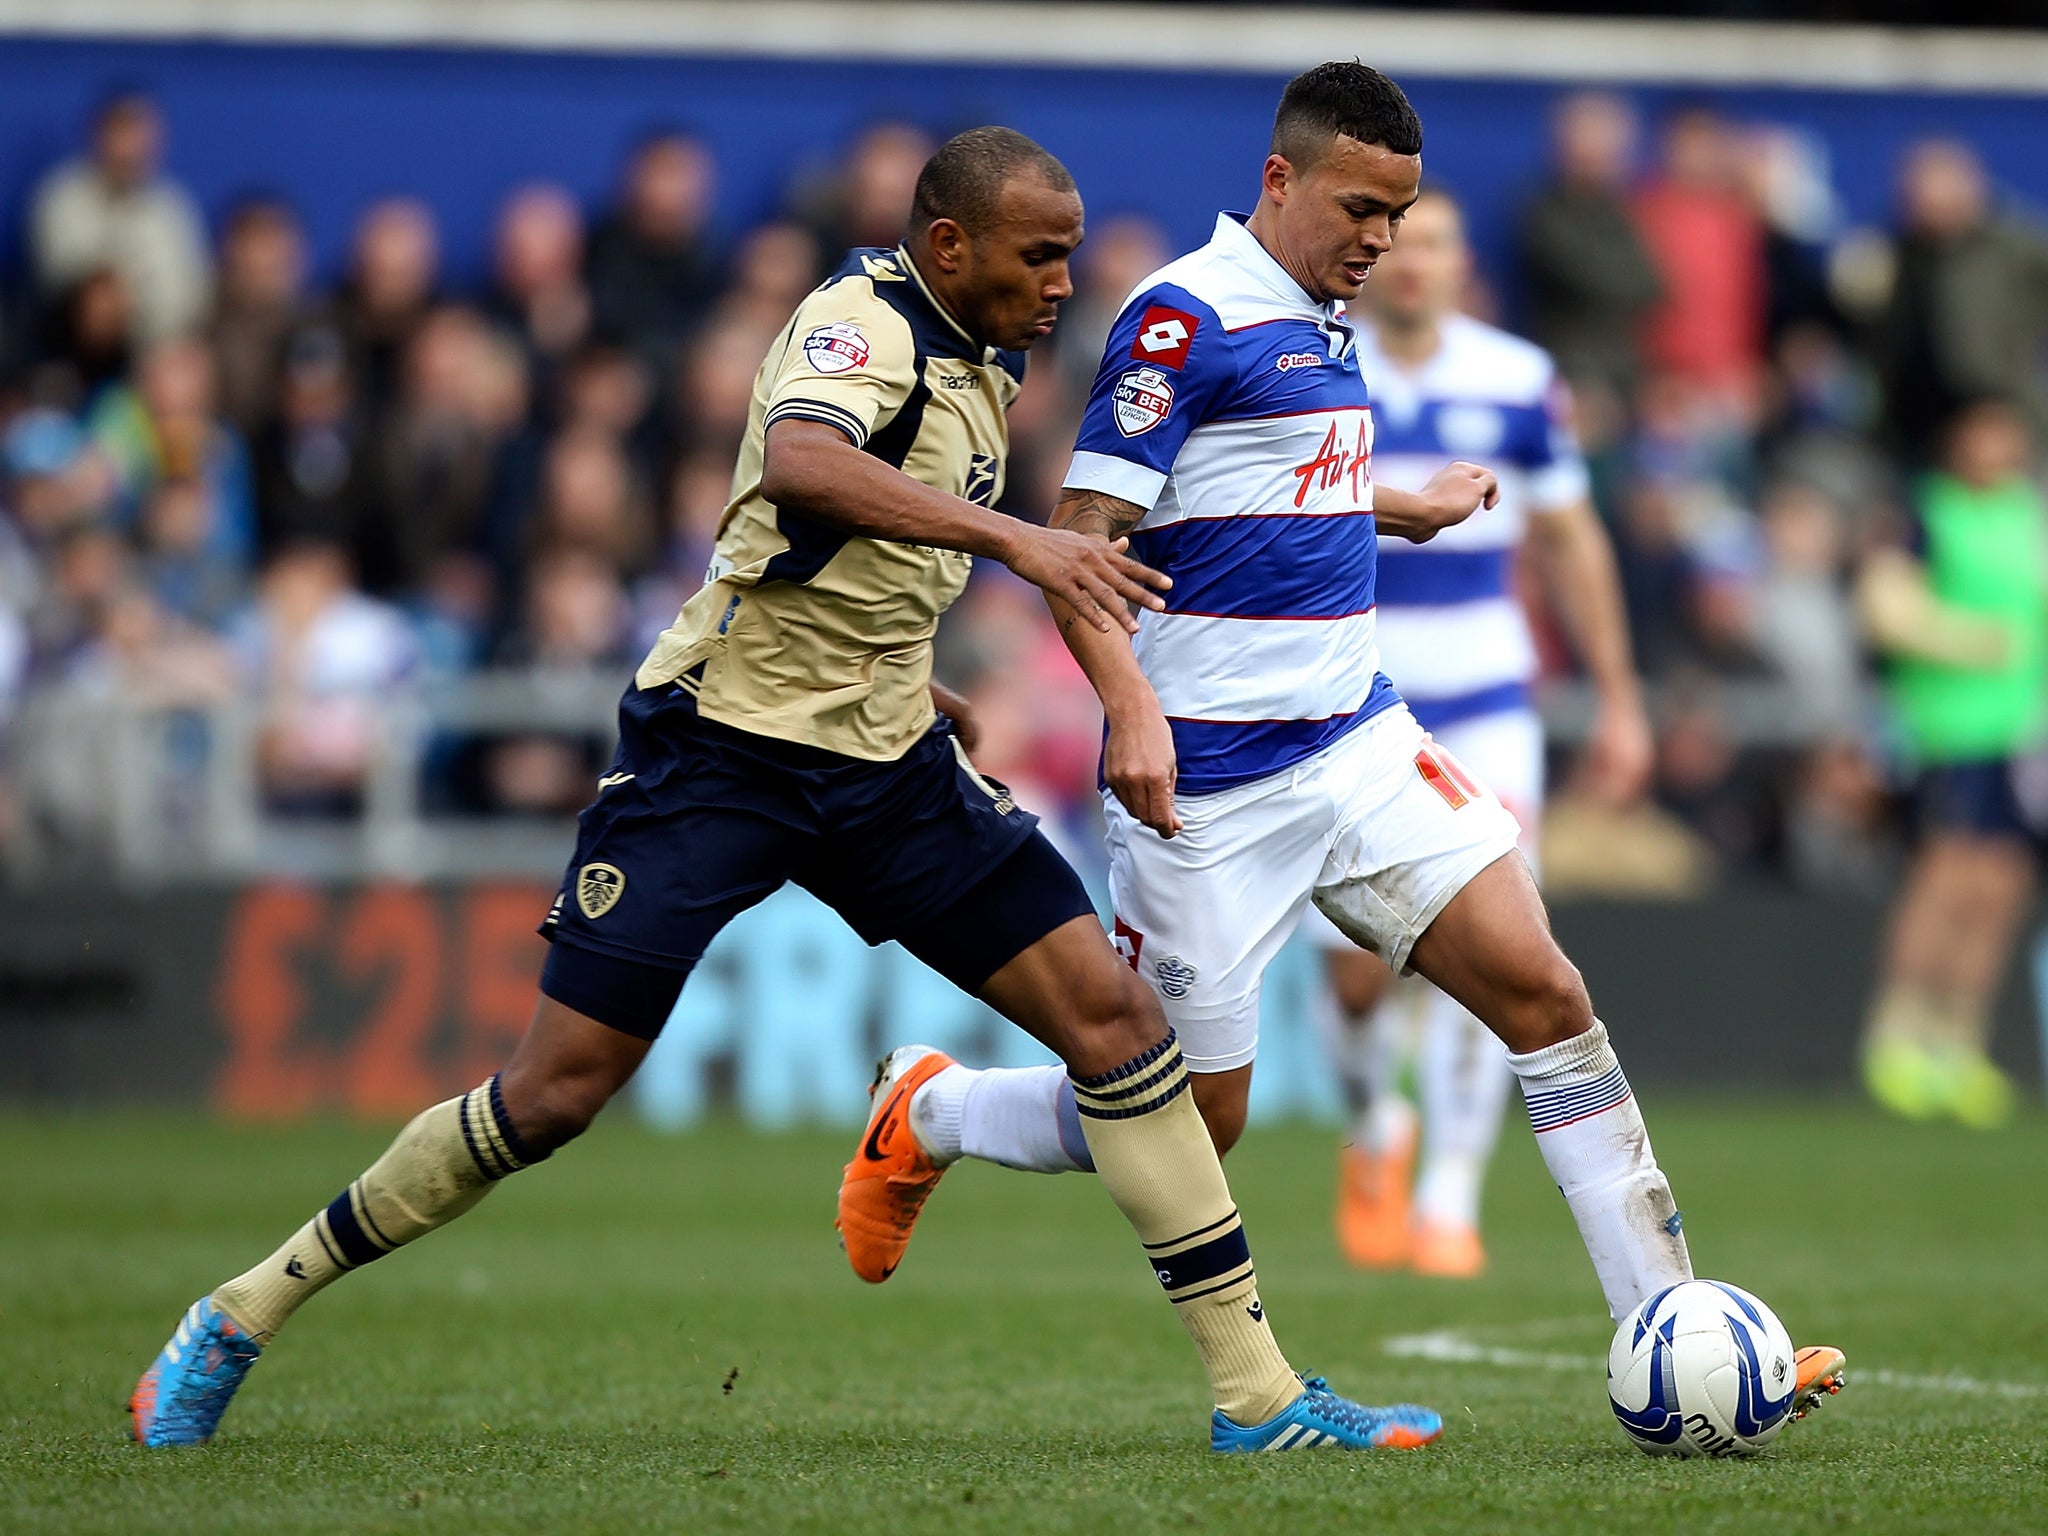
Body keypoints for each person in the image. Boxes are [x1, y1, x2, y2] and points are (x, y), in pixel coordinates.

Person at [131, 126, 1440, 1456]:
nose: (1061, 281)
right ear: (950, 246)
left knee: (1117, 1024)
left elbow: (799, 539)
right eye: (1039, 255)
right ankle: (241, 1311)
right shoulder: (858, 320)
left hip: (882, 761)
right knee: (557, 1092)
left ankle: (1259, 1399)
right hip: (721, 756)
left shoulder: (991, 352)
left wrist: (903, 671)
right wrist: (1016, 543)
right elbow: (805, 465)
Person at [848, 64, 1846, 1424]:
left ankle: (1678, 1335)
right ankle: (937, 1108)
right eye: (1360, 208)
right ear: (1279, 181)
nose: (1381, 238)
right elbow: (1081, 544)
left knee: (1546, 996)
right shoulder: (1176, 320)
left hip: (1358, 744)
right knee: (1196, 1124)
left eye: (1402, 213)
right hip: (1204, 784)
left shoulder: (1326, 317)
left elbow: (1258, 480)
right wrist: (1129, 708)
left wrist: (1394, 506)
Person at [1292, 186, 1650, 1279]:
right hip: (1349, 702)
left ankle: (1449, 1192)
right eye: (1397, 237)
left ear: (1459, 264)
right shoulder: (1311, 362)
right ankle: (1373, 1131)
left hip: (1487, 706)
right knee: (1352, 977)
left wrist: (1618, 692)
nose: (1412, 259)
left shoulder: (1516, 379)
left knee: (1495, 949)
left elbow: (1567, 536)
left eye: (1437, 240)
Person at [1857, 398, 2047, 1128]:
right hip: (1946, 728)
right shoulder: (1925, 514)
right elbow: (1887, 609)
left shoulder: (2026, 514)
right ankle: (1899, 1037)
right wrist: (1972, 641)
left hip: (2018, 731)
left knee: (2000, 885)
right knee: (1945, 877)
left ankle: (1959, 1041)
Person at [29, 88, 211, 347]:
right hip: (77, 350)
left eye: (138, 136)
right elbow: (68, 288)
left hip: (155, 355)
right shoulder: (61, 197)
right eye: (120, 134)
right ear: (97, 137)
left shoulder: (172, 208)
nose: (128, 150)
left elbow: (188, 301)